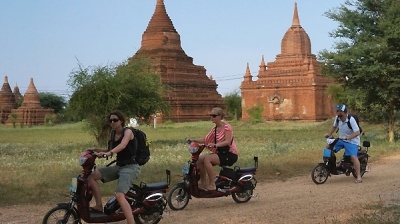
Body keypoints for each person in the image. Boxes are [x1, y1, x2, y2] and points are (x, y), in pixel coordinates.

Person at [88, 110, 140, 224]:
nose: (112, 122)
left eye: (115, 120)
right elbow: (108, 149)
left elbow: (122, 145)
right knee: (91, 176)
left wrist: (110, 153)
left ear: (121, 121)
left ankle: (131, 222)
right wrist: (94, 150)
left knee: (119, 195)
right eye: (110, 120)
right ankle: (98, 206)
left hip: (130, 167)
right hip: (119, 166)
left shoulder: (128, 132)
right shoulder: (112, 133)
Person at [188, 107, 238, 191]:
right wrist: (193, 140)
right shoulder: (214, 129)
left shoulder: (227, 127)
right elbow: (205, 139)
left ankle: (212, 184)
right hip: (221, 153)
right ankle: (204, 184)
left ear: (220, 116)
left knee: (207, 159)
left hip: (230, 154)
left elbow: (227, 141)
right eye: (210, 115)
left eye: (214, 115)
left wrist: (215, 145)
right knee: (199, 159)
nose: (211, 117)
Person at [325, 104, 362, 183]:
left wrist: (348, 138)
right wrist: (329, 134)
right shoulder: (337, 118)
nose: (337, 112)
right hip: (341, 140)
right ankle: (329, 166)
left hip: (352, 141)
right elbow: (334, 126)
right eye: (337, 111)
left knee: (353, 157)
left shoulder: (351, 119)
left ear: (343, 112)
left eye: (338, 111)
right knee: (328, 147)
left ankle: (358, 177)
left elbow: (357, 132)